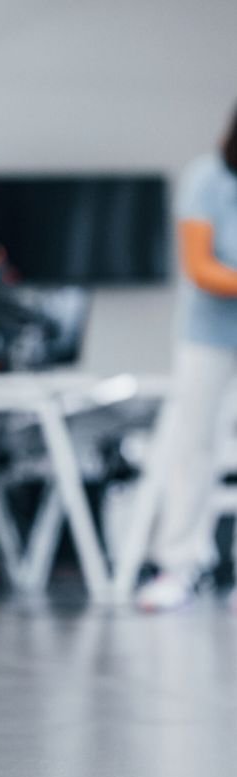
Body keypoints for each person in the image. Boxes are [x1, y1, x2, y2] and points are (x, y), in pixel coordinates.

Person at [137, 104, 237, 611]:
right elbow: (200, 266)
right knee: (195, 445)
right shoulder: (208, 178)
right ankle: (178, 564)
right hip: (209, 336)